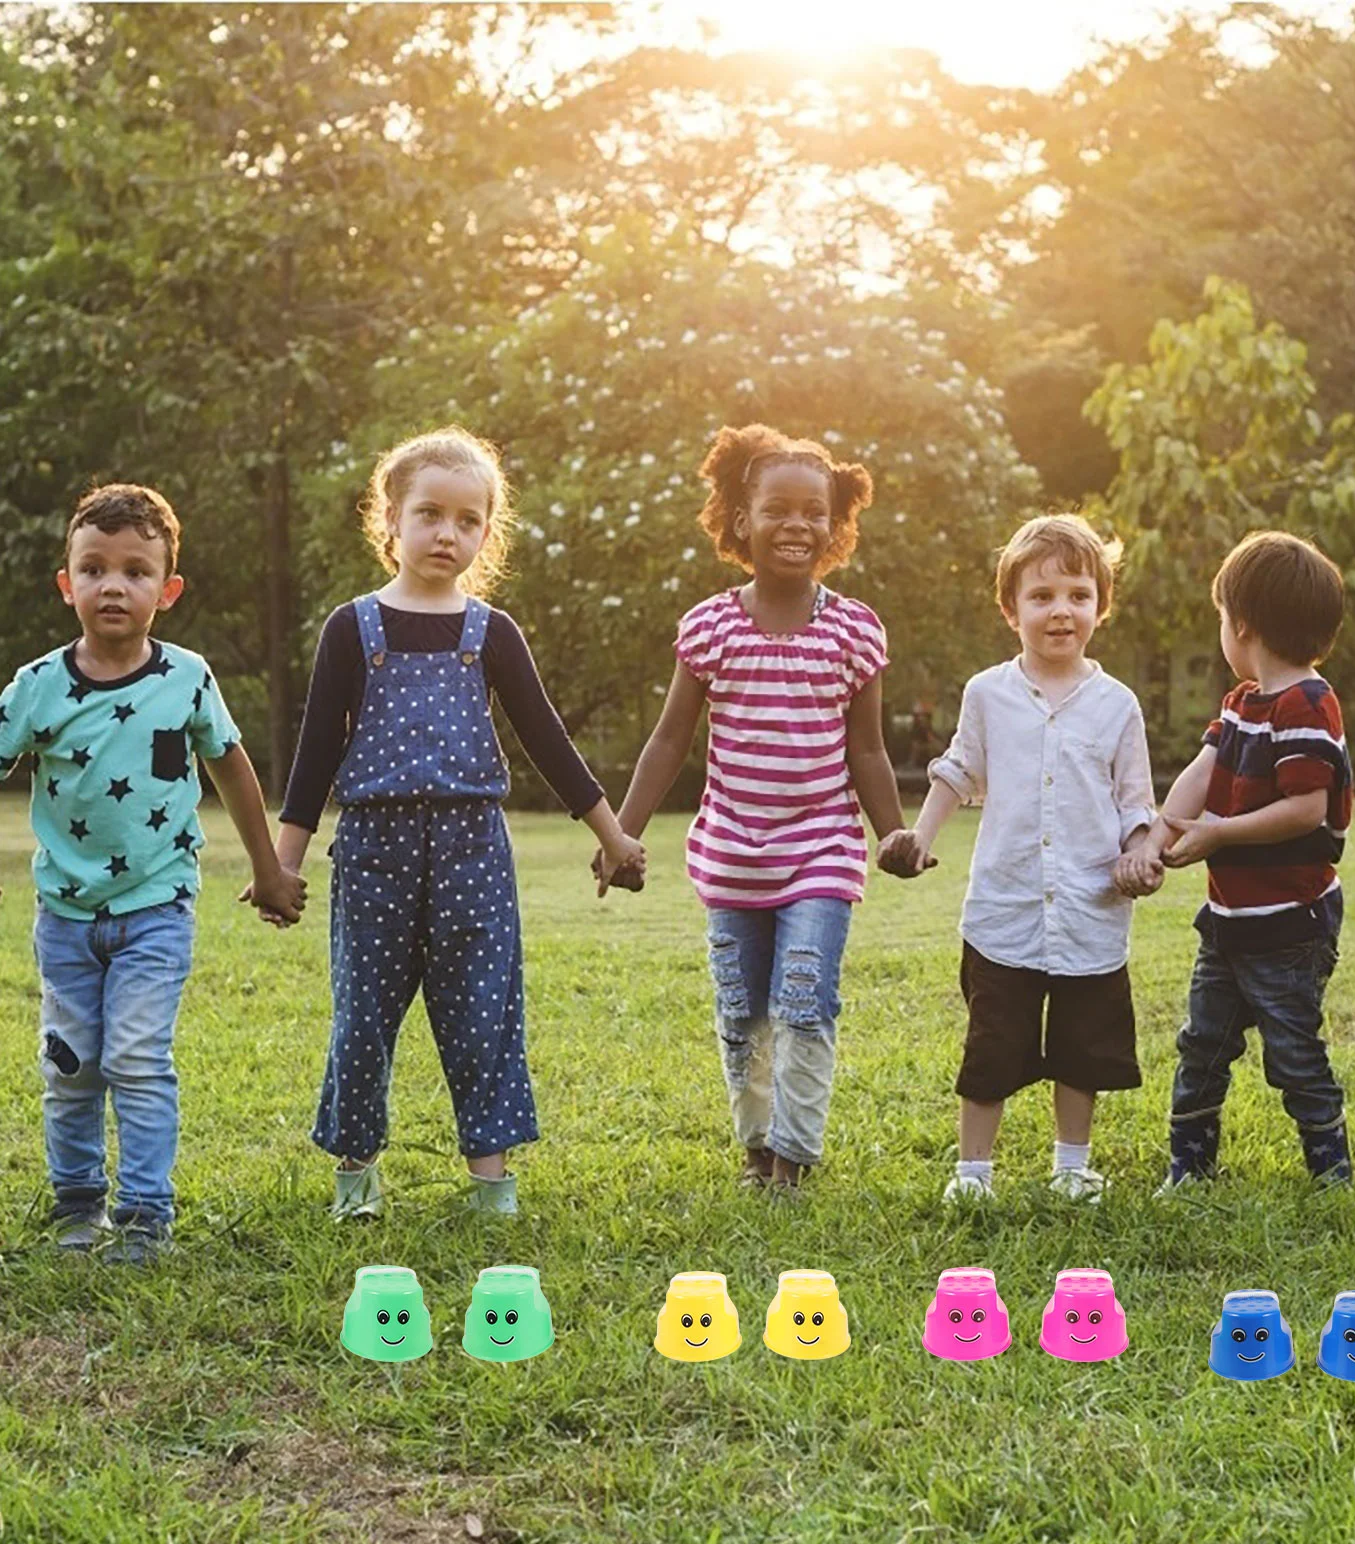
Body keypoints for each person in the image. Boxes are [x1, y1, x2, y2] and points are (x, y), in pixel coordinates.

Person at [274, 426, 644, 1220]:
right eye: (430, 514)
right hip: (375, 848)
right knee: (363, 1015)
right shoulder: (352, 629)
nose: (448, 533)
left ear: (487, 531)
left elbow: (547, 739)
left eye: (468, 520)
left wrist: (611, 835)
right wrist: (283, 865)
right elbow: (311, 760)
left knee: (482, 1011)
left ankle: (490, 1183)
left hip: (473, 849)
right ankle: (357, 1177)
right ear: (391, 522)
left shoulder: (492, 633)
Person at [0, 483, 306, 1263]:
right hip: (65, 917)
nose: (114, 585)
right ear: (67, 584)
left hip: (157, 909)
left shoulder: (186, 679)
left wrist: (270, 872)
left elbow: (232, 769)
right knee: (70, 1065)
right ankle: (77, 1205)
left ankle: (144, 1216)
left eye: (136, 571)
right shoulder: (38, 688)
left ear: (165, 591)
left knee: (136, 1058)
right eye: (94, 569)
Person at [604, 423, 899, 1192]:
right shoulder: (709, 628)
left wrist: (894, 830)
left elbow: (866, 751)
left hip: (822, 851)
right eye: (777, 509)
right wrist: (620, 834)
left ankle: (794, 1158)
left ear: (835, 527)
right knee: (743, 1013)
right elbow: (669, 741)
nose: (796, 525)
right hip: (733, 853)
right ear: (741, 520)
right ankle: (756, 1149)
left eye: (814, 512)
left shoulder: (855, 631)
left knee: (803, 999)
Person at [880, 515, 1158, 1204]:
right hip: (1004, 910)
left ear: (1101, 605)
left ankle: (1071, 1169)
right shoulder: (988, 693)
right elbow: (955, 770)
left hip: (1091, 910)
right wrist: (920, 838)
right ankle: (973, 1174)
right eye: (1041, 596)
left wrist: (1140, 856)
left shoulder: (1117, 706)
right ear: (1011, 610)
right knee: (993, 1045)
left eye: (1078, 594)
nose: (1061, 609)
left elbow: (1136, 804)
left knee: (1082, 1048)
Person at [1131, 531, 1354, 1189]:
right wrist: (1159, 835)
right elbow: (1200, 775)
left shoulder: (1309, 704)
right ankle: (1189, 1168)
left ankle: (1331, 1174)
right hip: (1227, 924)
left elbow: (1306, 808)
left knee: (1294, 1055)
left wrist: (1220, 833)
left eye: (1220, 619)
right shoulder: (1240, 704)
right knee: (1202, 1046)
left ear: (1242, 625)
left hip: (1290, 927)